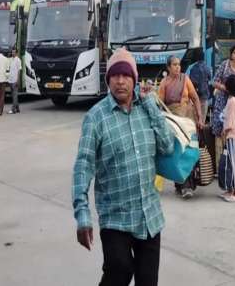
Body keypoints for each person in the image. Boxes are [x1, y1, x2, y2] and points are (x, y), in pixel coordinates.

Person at [72, 48, 174, 286]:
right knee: (119, 270)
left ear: (134, 79)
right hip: (115, 217)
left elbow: (167, 147)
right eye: (114, 76)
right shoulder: (96, 118)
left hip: (149, 216)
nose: (120, 81)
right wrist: (82, 214)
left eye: (126, 76)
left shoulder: (146, 109)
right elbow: (83, 166)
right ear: (108, 80)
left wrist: (151, 105)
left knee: (147, 281)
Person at [158, 55, 203, 199]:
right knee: (178, 153)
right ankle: (182, 185)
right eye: (175, 65)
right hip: (174, 124)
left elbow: (195, 98)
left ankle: (188, 185)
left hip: (188, 121)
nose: (178, 67)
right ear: (168, 67)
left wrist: (200, 117)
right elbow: (160, 105)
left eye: (179, 64)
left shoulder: (185, 79)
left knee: (189, 152)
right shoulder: (164, 83)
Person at [211, 46, 235, 173]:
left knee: (234, 132)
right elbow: (214, 82)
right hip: (222, 102)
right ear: (231, 54)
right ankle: (222, 168)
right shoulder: (224, 65)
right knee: (220, 131)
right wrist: (224, 88)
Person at [220, 74, 235, 203]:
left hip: (232, 135)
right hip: (231, 135)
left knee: (233, 164)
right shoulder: (233, 100)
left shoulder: (232, 101)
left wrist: (225, 130)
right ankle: (230, 190)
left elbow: (231, 120)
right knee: (229, 163)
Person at [7, 48, 22, 114]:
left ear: (16, 53)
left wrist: (17, 80)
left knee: (15, 95)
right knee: (13, 95)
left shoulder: (18, 60)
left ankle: (13, 109)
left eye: (14, 52)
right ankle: (17, 108)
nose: (12, 53)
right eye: (12, 52)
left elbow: (19, 71)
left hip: (15, 80)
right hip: (10, 80)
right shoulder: (11, 59)